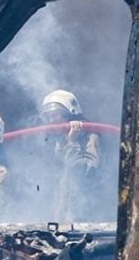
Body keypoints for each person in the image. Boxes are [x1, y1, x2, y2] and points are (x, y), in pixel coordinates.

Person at [39, 89, 100, 223]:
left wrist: (72, 142)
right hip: (61, 218)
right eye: (49, 117)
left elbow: (87, 173)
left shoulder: (90, 138)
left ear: (71, 115)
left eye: (56, 115)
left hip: (82, 219)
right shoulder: (58, 142)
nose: (52, 120)